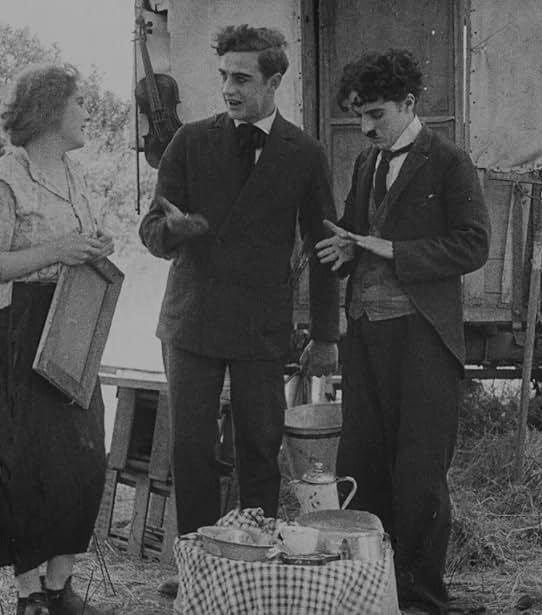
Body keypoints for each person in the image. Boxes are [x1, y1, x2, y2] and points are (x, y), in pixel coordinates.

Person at [139, 24, 339, 596]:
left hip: (261, 326)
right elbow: (150, 228)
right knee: (192, 449)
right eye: (224, 75)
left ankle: (256, 566)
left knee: (259, 444)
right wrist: (170, 231)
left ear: (275, 80)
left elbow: (324, 250)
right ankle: (197, 569)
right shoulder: (189, 143)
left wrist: (325, 335)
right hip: (192, 323)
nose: (228, 88)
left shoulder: (304, 153)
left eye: (242, 78)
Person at [315, 49, 490, 614]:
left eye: (376, 115)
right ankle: (371, 590)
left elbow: (474, 244)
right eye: (360, 116)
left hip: (422, 339)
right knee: (361, 464)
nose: (366, 128)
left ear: (411, 105)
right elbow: (354, 228)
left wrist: (393, 250)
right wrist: (345, 246)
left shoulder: (449, 161)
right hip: (366, 335)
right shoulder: (369, 163)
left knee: (419, 472)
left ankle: (420, 598)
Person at [0, 63, 115, 615]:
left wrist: (93, 245)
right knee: (25, 469)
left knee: (82, 461)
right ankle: (30, 597)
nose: (86, 113)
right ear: (50, 112)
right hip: (15, 336)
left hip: (71, 327)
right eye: (79, 103)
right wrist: (57, 251)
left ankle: (60, 585)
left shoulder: (75, 175)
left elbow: (71, 245)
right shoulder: (3, 178)